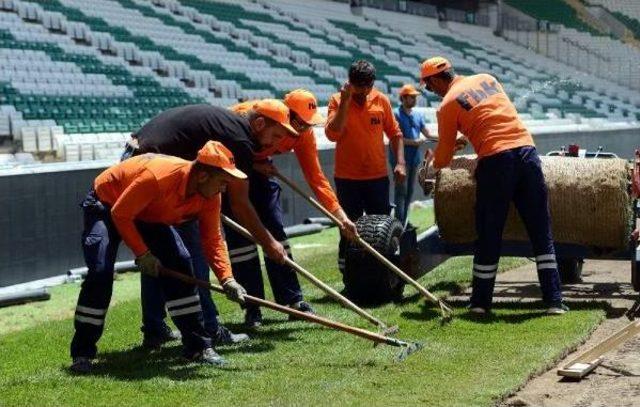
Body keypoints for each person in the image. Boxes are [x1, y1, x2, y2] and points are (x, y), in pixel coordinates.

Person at [70, 141, 249, 373]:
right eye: (223, 181)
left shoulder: (210, 196)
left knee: (181, 262)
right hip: (106, 204)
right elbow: (121, 214)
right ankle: (82, 354)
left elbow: (213, 238)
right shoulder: (157, 178)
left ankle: (198, 347)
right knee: (100, 271)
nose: (225, 188)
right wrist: (143, 254)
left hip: (146, 212)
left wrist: (227, 278)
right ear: (203, 176)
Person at [128, 101, 296, 345]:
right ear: (259, 124)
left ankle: (154, 327)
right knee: (193, 254)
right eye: (275, 135)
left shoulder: (234, 128)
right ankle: (209, 328)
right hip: (150, 169)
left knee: (161, 253)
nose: (276, 144)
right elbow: (240, 204)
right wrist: (269, 243)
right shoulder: (241, 142)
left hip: (139, 156)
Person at [419, 56, 566, 315]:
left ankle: (480, 303)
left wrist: (444, 152)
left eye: (429, 87)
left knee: (489, 233)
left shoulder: (447, 105)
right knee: (540, 229)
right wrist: (467, 135)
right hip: (526, 151)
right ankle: (554, 300)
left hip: (496, 160)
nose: (431, 92)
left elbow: (442, 159)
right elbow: (493, 114)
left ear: (434, 80)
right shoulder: (487, 78)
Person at [229, 89, 359, 327]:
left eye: (310, 125)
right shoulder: (244, 114)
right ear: (287, 114)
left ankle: (292, 300)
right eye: (301, 123)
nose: (305, 130)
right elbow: (222, 149)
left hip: (262, 175)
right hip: (233, 173)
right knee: (242, 242)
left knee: (276, 234)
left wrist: (340, 217)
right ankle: (253, 307)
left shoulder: (304, 135)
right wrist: (255, 165)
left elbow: (316, 178)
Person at [325, 60, 406, 277]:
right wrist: (345, 102)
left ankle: (380, 273)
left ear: (372, 84)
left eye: (366, 87)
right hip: (347, 178)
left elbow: (395, 134)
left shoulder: (382, 101)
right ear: (349, 83)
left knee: (381, 229)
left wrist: (400, 163)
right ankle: (348, 275)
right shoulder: (336, 100)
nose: (362, 92)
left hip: (376, 177)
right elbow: (333, 134)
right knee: (347, 229)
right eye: (357, 87)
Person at [391, 84, 437, 227]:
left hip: (414, 159)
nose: (415, 99)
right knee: (401, 192)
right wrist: (414, 142)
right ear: (403, 98)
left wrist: (448, 137)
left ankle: (404, 222)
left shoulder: (418, 115)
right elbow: (395, 137)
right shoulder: (396, 114)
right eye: (412, 97)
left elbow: (427, 134)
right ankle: (399, 224)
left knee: (409, 192)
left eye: (415, 97)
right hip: (400, 161)